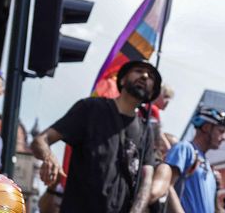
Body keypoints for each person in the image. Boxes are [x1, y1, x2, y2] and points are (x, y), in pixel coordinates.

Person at [32, 60, 162, 213]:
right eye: (138, 71)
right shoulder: (90, 108)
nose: (145, 76)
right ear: (122, 80)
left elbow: (146, 179)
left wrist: (137, 210)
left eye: (151, 76)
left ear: (152, 93)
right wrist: (49, 157)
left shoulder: (146, 131)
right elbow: (41, 140)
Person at [147, 106, 225, 213]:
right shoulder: (185, 149)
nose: (224, 137)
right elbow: (167, 185)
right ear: (206, 127)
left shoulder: (208, 166)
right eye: (221, 131)